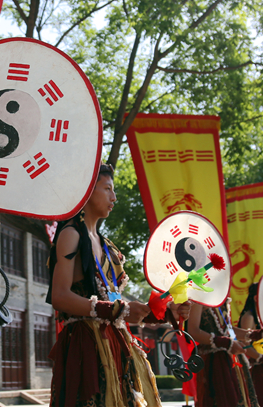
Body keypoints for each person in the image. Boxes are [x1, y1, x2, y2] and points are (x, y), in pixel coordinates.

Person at [46, 163, 190, 407]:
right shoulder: (70, 234)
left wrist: (164, 314)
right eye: (107, 189)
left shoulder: (107, 246)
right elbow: (60, 297)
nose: (114, 197)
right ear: (87, 191)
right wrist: (118, 310)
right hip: (87, 348)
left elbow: (118, 306)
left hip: (117, 345)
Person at [187, 298, 260, 407]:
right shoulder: (198, 296)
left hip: (230, 360)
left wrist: (253, 335)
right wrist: (225, 342)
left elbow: (228, 329)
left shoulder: (222, 296)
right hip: (213, 362)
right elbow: (193, 331)